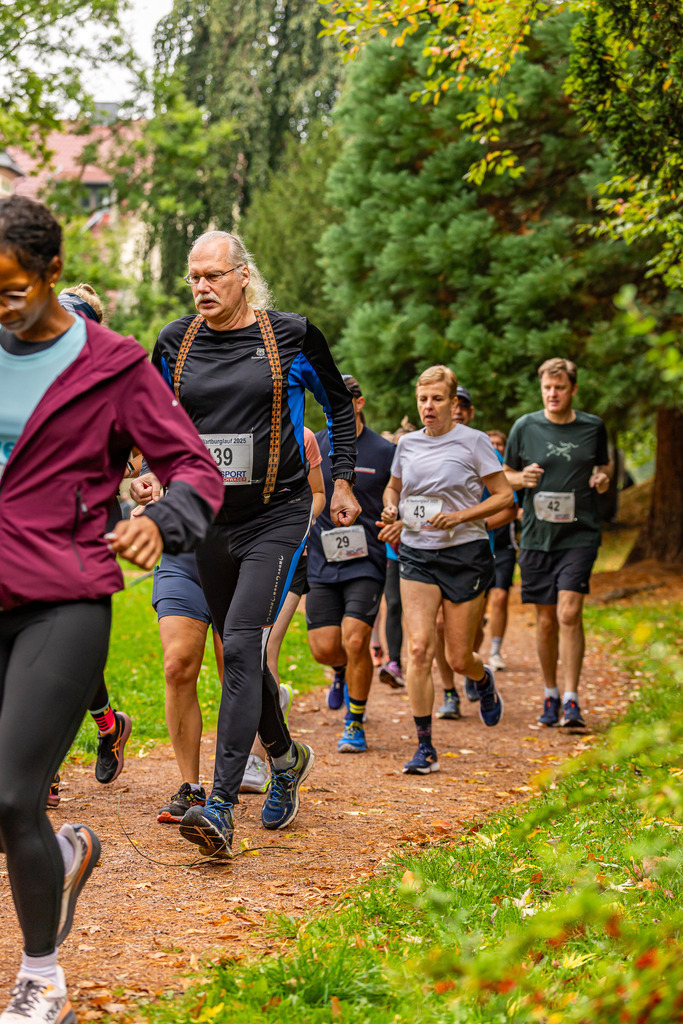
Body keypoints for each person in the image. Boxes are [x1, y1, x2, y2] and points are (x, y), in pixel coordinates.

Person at [0, 195, 224, 1024]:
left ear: (53, 273)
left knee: (13, 795)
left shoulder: (113, 365)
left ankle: (41, 976)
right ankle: (59, 859)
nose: (0, 307)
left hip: (63, 595)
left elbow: (197, 470)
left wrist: (159, 521)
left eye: (13, 289)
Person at [131, 230, 359, 856]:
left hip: (276, 514)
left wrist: (339, 479)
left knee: (237, 645)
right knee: (239, 654)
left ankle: (223, 806)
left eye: (213, 276)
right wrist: (153, 467)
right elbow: (153, 417)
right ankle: (284, 759)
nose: (202, 287)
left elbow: (338, 406)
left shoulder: (290, 335)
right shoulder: (174, 343)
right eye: (193, 278)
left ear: (242, 276)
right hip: (206, 517)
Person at [153, 425, 324, 819]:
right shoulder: (185, 398)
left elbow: (315, 494)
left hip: (254, 548)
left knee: (239, 658)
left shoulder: (296, 431)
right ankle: (195, 790)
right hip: (187, 553)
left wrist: (293, 528)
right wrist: (147, 479)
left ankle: (278, 761)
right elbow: (150, 446)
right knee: (177, 665)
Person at [380, 365, 514, 775]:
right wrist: (390, 505)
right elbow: (395, 488)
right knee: (418, 649)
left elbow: (504, 496)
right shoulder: (407, 445)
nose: (428, 406)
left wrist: (461, 516)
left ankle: (482, 678)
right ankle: (425, 747)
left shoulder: (473, 442)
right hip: (418, 553)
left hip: (465, 553)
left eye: (437, 399)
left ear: (454, 404)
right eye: (423, 399)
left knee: (458, 658)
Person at [503, 357, 612, 729]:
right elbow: (505, 474)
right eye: (548, 388)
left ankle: (571, 699)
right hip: (537, 536)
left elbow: (604, 466)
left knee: (569, 612)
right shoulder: (525, 426)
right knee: (546, 619)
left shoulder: (593, 427)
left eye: (560, 388)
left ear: (573, 390)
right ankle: (549, 693)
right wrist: (521, 477)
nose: (553, 394)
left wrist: (602, 478)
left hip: (580, 534)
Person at [305, 375, 394, 753]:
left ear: (358, 403)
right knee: (324, 648)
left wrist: (395, 516)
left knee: (356, 639)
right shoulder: (316, 447)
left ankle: (354, 722)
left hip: (366, 559)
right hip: (322, 556)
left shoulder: (385, 450)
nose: (332, 411)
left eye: (340, 403)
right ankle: (340, 672)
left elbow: (398, 494)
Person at [485, 429, 518, 671]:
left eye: (498, 444)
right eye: (490, 443)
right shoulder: (480, 474)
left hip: (505, 546)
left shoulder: (507, 479)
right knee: (479, 605)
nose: (494, 446)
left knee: (500, 597)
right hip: (480, 547)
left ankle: (495, 650)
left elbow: (513, 507)